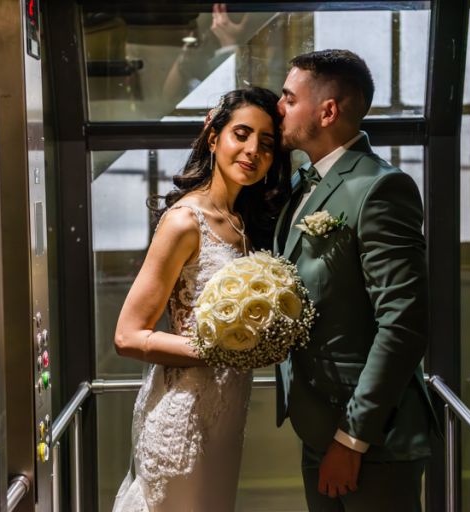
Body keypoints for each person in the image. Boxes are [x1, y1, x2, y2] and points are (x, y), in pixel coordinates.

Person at [273, 50, 439, 511]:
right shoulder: (303, 184)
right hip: (317, 424)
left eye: (288, 98)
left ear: (328, 111)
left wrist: (352, 440)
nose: (278, 107)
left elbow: (403, 325)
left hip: (372, 440)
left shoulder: (380, 188)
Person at [112, 87, 290, 512]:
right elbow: (127, 336)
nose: (252, 151)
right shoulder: (183, 222)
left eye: (266, 143)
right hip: (183, 414)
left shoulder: (245, 223)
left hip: (227, 417)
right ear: (214, 138)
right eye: (241, 134)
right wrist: (220, 349)